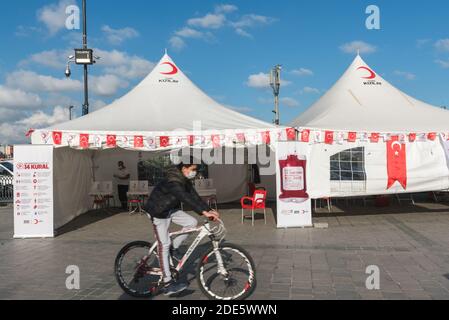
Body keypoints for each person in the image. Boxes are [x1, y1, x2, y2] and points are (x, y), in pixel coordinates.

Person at [144, 157, 220, 296]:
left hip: (169, 209)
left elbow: (194, 196)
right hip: (158, 212)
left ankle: (175, 247)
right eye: (193, 169)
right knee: (164, 245)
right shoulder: (173, 181)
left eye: (196, 170)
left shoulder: (184, 179)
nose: (195, 172)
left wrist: (208, 209)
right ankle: (167, 284)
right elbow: (185, 197)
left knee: (191, 223)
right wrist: (203, 212)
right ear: (184, 169)